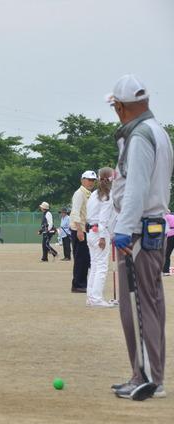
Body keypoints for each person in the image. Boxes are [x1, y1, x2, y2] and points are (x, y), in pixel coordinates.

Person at [108, 75, 172, 399]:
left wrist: (123, 229)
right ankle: (144, 371)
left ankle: (147, 377)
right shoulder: (157, 132)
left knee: (138, 306)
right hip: (150, 226)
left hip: (138, 229)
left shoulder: (140, 137)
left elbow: (135, 188)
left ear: (121, 107)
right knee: (149, 303)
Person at [85, 167, 116, 308]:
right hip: (100, 233)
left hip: (91, 231)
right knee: (102, 267)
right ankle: (96, 299)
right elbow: (103, 219)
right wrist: (103, 237)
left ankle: (91, 297)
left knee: (95, 266)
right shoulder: (107, 196)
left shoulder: (94, 194)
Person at [70, 171, 97, 293]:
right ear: (82, 180)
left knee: (85, 258)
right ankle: (78, 284)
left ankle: (82, 283)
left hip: (85, 230)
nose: (91, 182)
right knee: (80, 258)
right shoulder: (79, 194)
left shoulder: (88, 194)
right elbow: (75, 212)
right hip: (79, 230)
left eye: (93, 180)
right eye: (89, 180)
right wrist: (79, 231)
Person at [163, 210, 174, 276]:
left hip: (171, 236)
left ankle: (166, 271)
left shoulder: (165, 217)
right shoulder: (173, 216)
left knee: (167, 254)